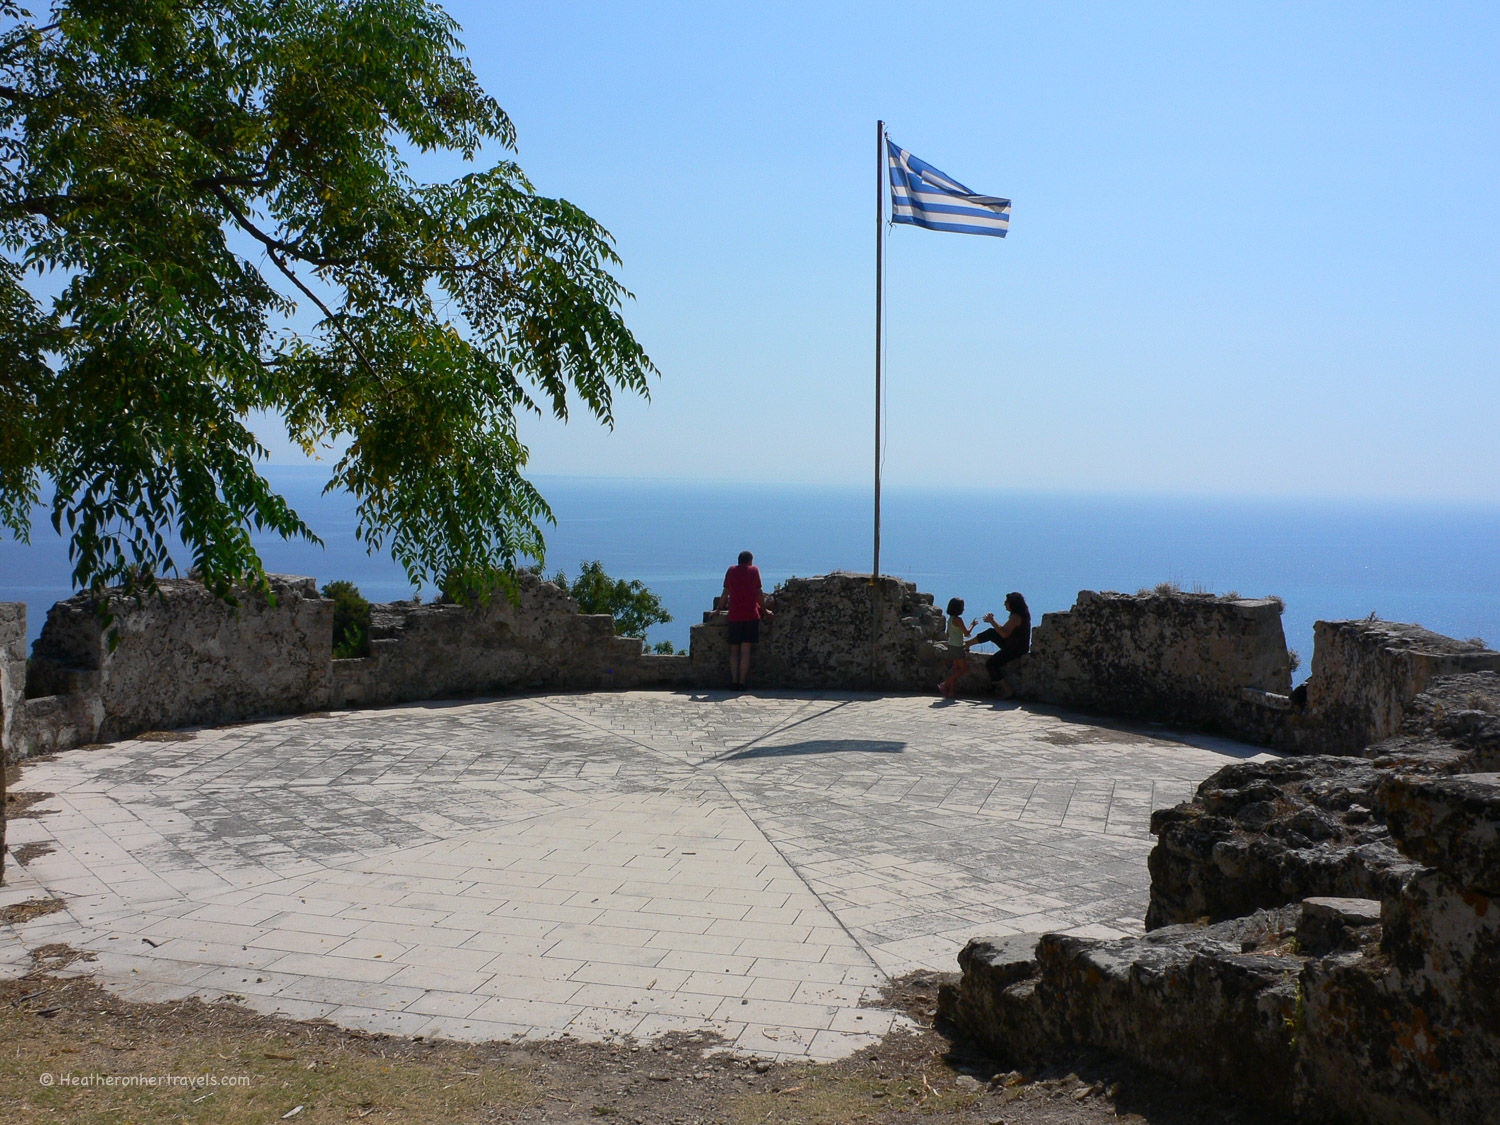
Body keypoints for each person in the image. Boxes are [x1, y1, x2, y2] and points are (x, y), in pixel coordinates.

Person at [966, 591, 1031, 698]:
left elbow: (1004, 634)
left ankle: (1007, 690)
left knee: (991, 664)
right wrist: (993, 623)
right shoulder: (1021, 615)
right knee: (992, 633)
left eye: (1007, 602)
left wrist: (992, 621)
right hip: (1015, 645)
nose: (1005, 604)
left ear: (1013, 604)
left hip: (1015, 649)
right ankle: (967, 644)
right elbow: (1005, 630)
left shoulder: (1016, 617)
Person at [721, 550, 771, 689]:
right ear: (750, 561)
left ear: (738, 560)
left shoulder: (731, 570)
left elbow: (726, 592)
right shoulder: (754, 570)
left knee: (734, 651)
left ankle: (734, 682)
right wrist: (765, 610)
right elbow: (758, 592)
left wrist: (718, 609)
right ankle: (742, 683)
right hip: (751, 615)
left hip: (734, 616)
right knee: (745, 651)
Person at [938, 597, 974, 698]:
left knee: (956, 669)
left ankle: (951, 692)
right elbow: (966, 633)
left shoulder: (950, 619)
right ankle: (944, 684)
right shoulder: (958, 620)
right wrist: (973, 625)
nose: (963, 609)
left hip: (951, 646)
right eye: (962, 607)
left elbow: (948, 634)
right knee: (963, 669)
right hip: (958, 647)